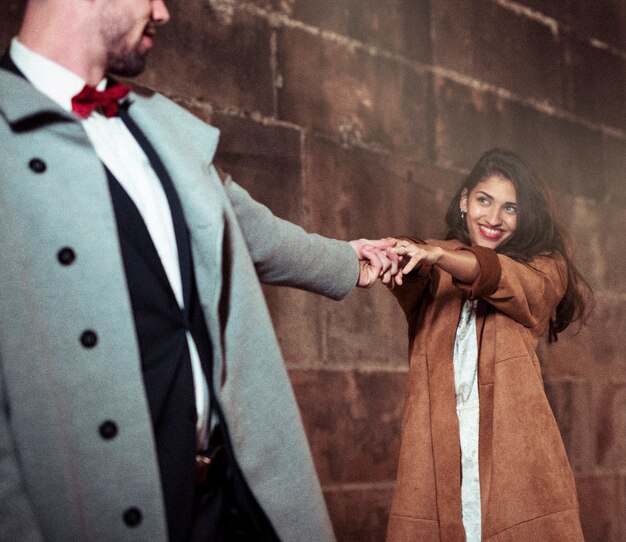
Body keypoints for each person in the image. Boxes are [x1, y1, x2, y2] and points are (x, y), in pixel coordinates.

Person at [0, 1, 398, 540]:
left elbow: (250, 230)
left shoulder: (158, 126)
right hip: (110, 511)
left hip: (229, 499)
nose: (162, 12)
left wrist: (352, 261)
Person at [384, 148, 591, 541]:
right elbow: (413, 263)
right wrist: (394, 253)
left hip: (513, 468)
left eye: (510, 208)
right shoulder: (436, 269)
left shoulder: (543, 269)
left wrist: (437, 254)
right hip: (440, 462)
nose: (494, 219)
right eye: (484, 200)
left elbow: (495, 275)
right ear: (465, 200)